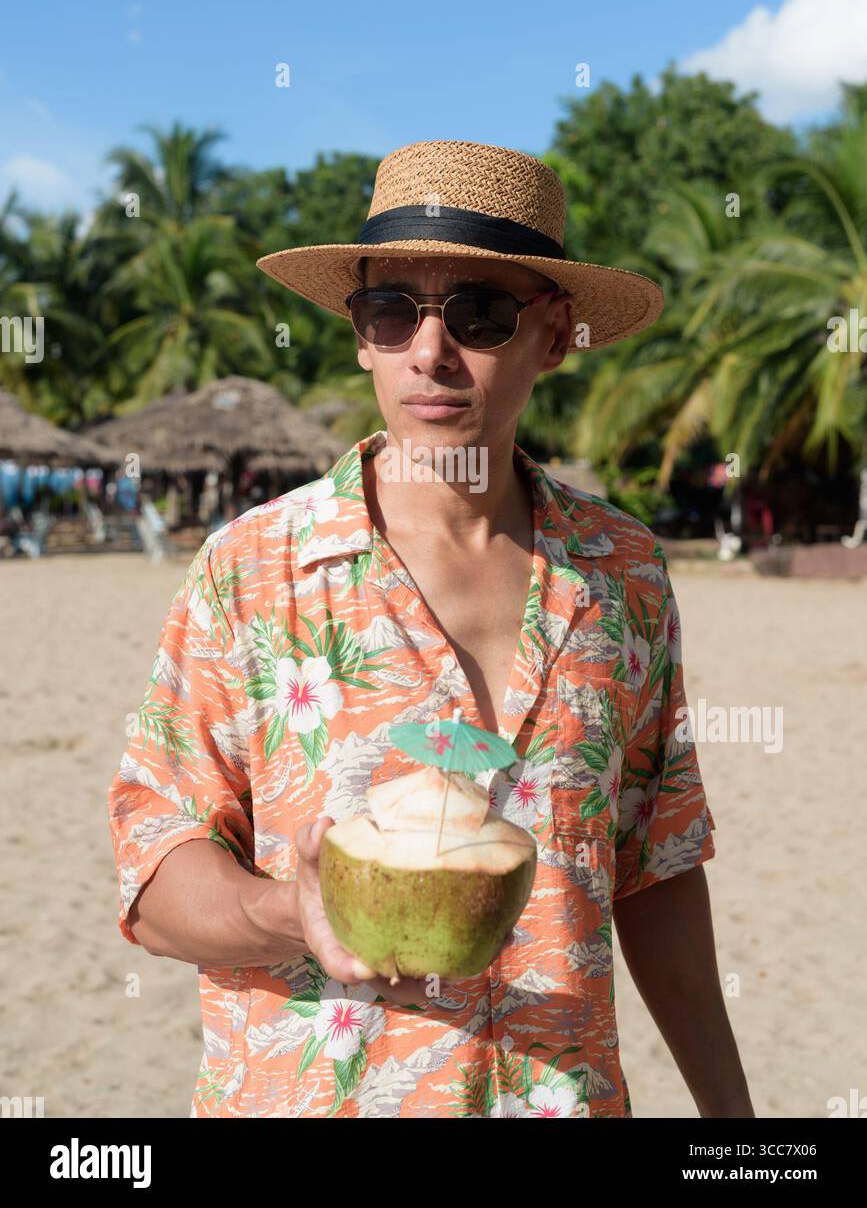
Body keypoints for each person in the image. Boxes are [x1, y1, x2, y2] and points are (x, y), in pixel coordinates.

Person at [107, 139, 753, 1118]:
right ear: (361, 334)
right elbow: (153, 875)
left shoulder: (623, 572)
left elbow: (652, 866)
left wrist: (734, 1127)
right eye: (392, 309)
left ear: (556, 332)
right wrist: (288, 911)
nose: (430, 350)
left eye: (481, 313)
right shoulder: (251, 571)